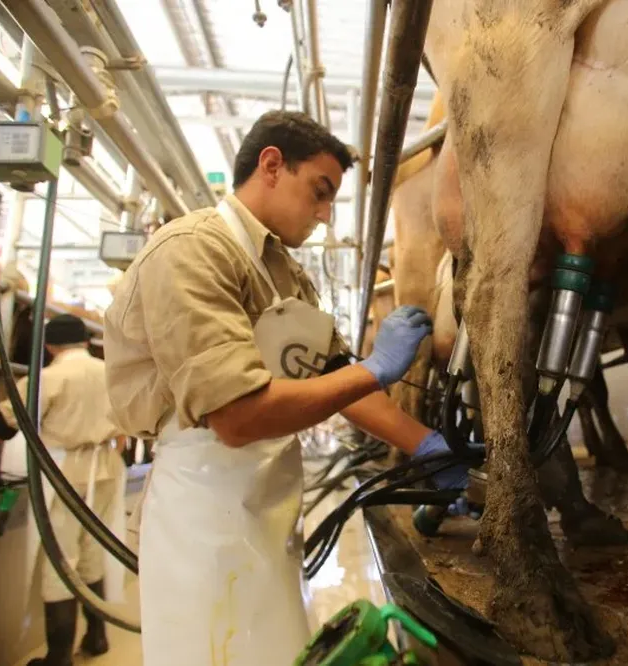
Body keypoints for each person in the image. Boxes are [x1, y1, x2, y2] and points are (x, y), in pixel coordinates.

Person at [103, 110, 474, 666]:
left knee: (275, 649)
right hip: (205, 509)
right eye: (320, 193)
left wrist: (424, 446)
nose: (326, 217)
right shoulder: (191, 251)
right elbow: (237, 418)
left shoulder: (286, 273)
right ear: (271, 164)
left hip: (267, 503)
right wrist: (374, 368)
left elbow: (334, 382)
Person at [0, 314, 125, 666]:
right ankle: (97, 635)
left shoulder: (47, 378)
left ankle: (58, 656)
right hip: (106, 469)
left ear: (48, 345)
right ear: (86, 342)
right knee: (92, 553)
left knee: (60, 560)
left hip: (64, 474)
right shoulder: (111, 374)